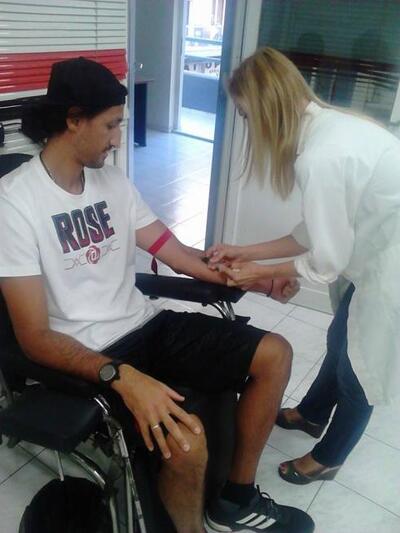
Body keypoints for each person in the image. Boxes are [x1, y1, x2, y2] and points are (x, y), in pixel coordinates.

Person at [0, 57, 314, 533]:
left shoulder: (113, 182)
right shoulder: (15, 203)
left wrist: (259, 280)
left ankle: (235, 499)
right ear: (74, 119)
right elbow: (34, 337)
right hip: (91, 351)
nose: (117, 139)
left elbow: (180, 255)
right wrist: (122, 376)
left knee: (275, 353)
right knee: (187, 442)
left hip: (146, 325)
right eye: (110, 125)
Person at [206, 46, 400, 486]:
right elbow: (312, 233)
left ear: (264, 107)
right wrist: (245, 252)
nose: (247, 125)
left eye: (245, 115)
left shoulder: (322, 154)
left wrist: (259, 274)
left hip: (391, 268)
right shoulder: (326, 129)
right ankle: (312, 414)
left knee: (360, 368)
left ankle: (330, 457)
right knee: (340, 338)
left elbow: (326, 260)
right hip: (377, 255)